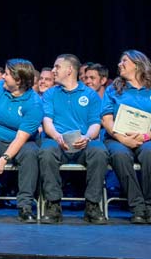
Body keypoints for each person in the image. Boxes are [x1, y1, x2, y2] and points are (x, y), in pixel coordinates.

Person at [101, 50, 151, 224]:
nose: (119, 64)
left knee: (150, 154)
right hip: (119, 138)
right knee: (119, 154)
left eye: (124, 61)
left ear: (138, 64)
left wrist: (145, 136)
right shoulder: (114, 90)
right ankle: (137, 206)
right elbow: (106, 119)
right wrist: (122, 138)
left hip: (149, 138)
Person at [38, 54, 107, 225]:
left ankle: (92, 205)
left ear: (69, 70)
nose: (53, 70)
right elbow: (47, 121)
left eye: (57, 67)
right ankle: (53, 205)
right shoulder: (50, 94)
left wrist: (87, 137)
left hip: (82, 144)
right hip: (57, 142)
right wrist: (57, 136)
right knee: (46, 151)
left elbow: (95, 124)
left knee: (99, 151)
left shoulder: (90, 95)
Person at [0, 59, 43, 223]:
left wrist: (3, 159)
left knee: (31, 154)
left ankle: (25, 206)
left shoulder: (34, 103)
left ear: (18, 80)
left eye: (7, 74)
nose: (3, 77)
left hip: (22, 141)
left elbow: (20, 138)